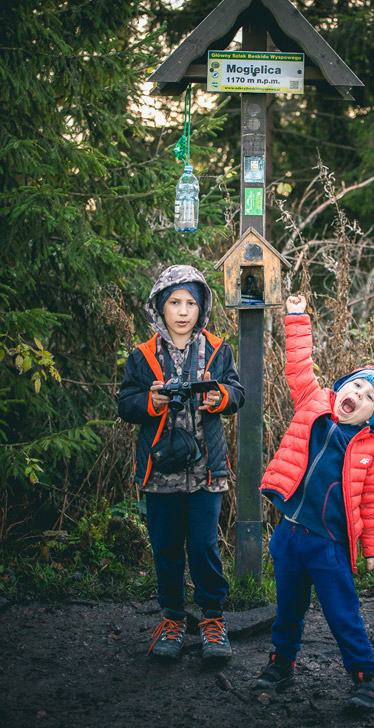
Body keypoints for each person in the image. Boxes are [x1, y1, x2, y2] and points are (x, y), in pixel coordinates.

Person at [254, 294, 374, 711]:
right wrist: (297, 317)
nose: (357, 394)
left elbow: (370, 506)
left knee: (342, 614)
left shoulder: (372, 453)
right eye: (355, 385)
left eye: (369, 397)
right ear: (341, 388)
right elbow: (299, 365)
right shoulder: (313, 404)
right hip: (289, 535)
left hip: (330, 546)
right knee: (288, 608)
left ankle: (365, 677)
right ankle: (280, 664)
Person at [118, 265, 245, 663]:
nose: (183, 311)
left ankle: (212, 620)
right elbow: (126, 404)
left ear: (201, 306)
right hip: (159, 473)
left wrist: (219, 398)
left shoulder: (218, 348)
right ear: (159, 306)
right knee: (167, 548)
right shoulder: (142, 356)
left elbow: (238, 392)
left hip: (208, 470)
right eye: (175, 302)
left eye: (191, 302)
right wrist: (150, 403)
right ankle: (173, 619)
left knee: (205, 547)